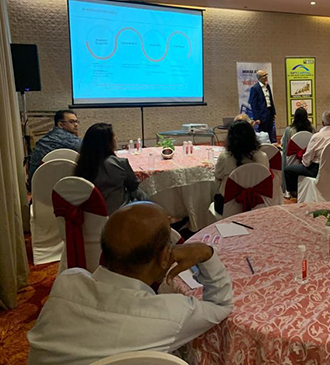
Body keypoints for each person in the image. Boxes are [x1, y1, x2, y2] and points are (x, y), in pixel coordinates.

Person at [27, 202, 234, 364]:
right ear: (165, 256)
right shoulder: (171, 313)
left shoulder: (67, 282)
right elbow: (221, 305)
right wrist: (206, 253)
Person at [74, 123, 146, 215]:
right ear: (107, 142)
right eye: (114, 136)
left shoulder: (82, 164)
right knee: (142, 195)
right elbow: (133, 185)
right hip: (118, 213)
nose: (116, 139)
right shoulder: (119, 163)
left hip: (90, 214)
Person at [284, 110, 330, 197]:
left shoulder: (317, 137)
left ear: (323, 123)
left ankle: (294, 194)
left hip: (317, 170)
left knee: (288, 170)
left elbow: (306, 161)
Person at [214, 120, 269, 214]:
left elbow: (218, 178)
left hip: (228, 206)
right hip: (257, 204)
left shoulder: (225, 157)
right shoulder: (262, 156)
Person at [28, 109, 82, 182]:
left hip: (36, 182)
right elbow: (86, 149)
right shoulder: (67, 139)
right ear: (60, 125)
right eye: (71, 122)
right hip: (57, 182)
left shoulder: (46, 138)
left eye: (76, 121)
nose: (76, 125)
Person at [249, 70, 276, 143]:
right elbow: (253, 104)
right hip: (261, 114)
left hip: (269, 112)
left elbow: (271, 100)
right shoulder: (255, 88)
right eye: (264, 75)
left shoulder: (267, 86)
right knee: (263, 132)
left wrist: (273, 112)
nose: (266, 77)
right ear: (259, 78)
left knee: (270, 130)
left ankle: (271, 144)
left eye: (266, 75)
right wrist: (256, 118)